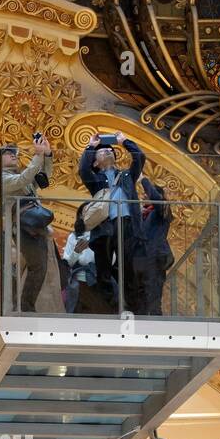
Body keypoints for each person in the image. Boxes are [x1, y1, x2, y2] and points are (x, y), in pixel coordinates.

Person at [78, 131, 145, 310]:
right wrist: (91, 146)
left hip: (127, 224)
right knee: (104, 269)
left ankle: (132, 308)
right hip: (104, 227)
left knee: (128, 267)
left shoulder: (126, 176)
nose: (107, 151)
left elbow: (140, 157)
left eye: (110, 149)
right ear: (95, 162)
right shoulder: (95, 179)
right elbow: (83, 169)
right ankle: (108, 306)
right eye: (102, 151)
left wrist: (125, 141)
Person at [0, 136, 54, 313]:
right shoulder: (2, 178)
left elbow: (43, 177)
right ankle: (19, 307)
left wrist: (47, 155)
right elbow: (23, 180)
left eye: (14, 153)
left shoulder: (19, 176)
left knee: (38, 266)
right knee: (24, 269)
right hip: (19, 228)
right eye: (7, 153)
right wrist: (38, 156)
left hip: (32, 226)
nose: (13, 155)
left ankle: (25, 305)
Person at [133, 175, 174, 314]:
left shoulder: (162, 211)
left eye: (146, 193)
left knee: (153, 295)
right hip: (140, 260)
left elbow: (156, 200)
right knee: (139, 297)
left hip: (155, 257)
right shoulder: (142, 215)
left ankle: (156, 323)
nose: (144, 196)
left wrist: (143, 180)